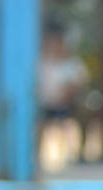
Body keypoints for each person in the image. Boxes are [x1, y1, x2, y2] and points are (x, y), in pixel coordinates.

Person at [36, 21, 88, 167]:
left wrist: (66, 95)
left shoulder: (72, 63)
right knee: (38, 124)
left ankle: (75, 155)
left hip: (65, 105)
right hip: (44, 105)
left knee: (68, 125)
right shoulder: (40, 63)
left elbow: (79, 84)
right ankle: (35, 156)